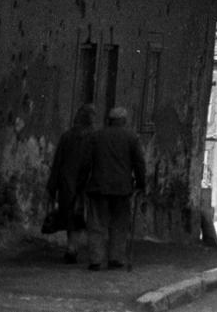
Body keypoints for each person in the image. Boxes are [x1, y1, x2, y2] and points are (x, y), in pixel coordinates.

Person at [81, 106, 146, 270]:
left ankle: (96, 259)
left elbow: (86, 162)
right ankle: (115, 258)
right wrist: (141, 183)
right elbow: (139, 163)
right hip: (122, 188)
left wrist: (82, 182)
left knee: (96, 223)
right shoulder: (132, 137)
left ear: (109, 121)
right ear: (124, 121)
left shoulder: (96, 136)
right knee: (119, 223)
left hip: (98, 186)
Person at [47, 105, 95, 263]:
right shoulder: (92, 138)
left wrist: (52, 186)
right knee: (80, 217)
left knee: (70, 216)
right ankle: (74, 247)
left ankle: (71, 247)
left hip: (67, 183)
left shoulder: (67, 136)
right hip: (84, 183)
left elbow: (58, 162)